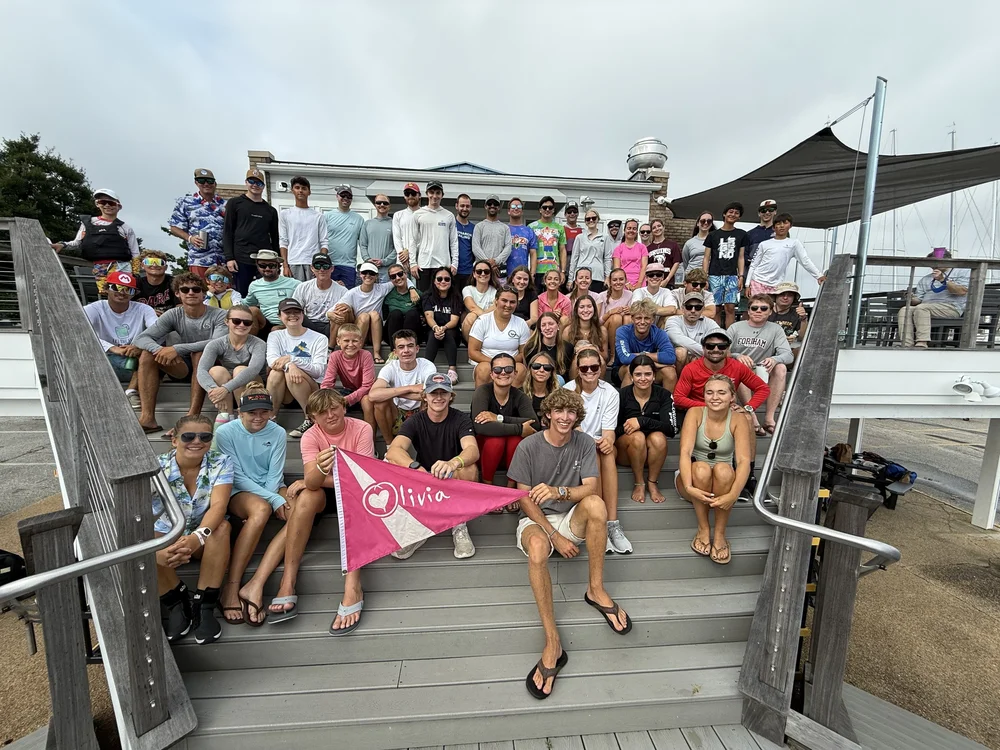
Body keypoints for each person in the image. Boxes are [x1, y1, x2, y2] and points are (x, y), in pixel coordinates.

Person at [508, 388, 631, 698]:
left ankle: (596, 589)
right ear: (548, 413)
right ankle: (553, 642)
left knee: (597, 505)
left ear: (578, 417)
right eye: (559, 411)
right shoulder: (528, 447)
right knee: (537, 549)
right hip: (537, 522)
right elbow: (524, 497)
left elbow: (591, 488)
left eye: (571, 413)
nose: (564, 417)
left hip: (570, 513)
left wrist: (558, 492)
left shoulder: (584, 443)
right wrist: (553, 535)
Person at [296, 389, 375, 633]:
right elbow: (312, 484)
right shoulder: (310, 436)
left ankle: (353, 585)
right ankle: (287, 582)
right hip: (328, 493)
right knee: (307, 498)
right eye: (322, 412)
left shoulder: (362, 428)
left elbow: (362, 477)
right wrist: (314, 478)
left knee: (353, 498)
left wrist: (315, 477)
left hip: (356, 492)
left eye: (334, 408)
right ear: (312, 417)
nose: (330, 415)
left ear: (343, 407)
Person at [153, 415, 233, 644]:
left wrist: (198, 537)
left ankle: (203, 605)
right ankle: (176, 602)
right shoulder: (156, 467)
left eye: (205, 436)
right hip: (166, 534)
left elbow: (219, 505)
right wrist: (160, 551)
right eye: (188, 436)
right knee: (144, 538)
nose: (197, 441)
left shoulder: (222, 461)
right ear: (174, 440)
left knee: (222, 527)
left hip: (202, 534)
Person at [212, 385, 288, 625]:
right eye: (252, 412)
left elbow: (275, 474)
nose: (258, 417)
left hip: (270, 486)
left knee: (299, 512)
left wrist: (274, 494)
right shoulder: (225, 433)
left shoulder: (278, 433)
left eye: (264, 412)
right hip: (237, 489)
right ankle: (232, 585)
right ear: (240, 412)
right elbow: (236, 475)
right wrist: (274, 499)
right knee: (262, 509)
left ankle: (258, 582)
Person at [385, 372, 480, 559]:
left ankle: (459, 524)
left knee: (469, 467)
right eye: (433, 393)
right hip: (423, 478)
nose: (438, 397)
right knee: (394, 463)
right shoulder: (415, 420)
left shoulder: (460, 418)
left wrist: (453, 463)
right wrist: (415, 467)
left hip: (452, 477)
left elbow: (472, 450)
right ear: (425, 396)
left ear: (450, 396)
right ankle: (417, 527)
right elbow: (393, 451)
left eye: (443, 393)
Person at [672, 330, 769, 496]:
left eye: (721, 345)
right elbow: (679, 398)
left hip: (727, 413)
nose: (716, 349)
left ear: (728, 348)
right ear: (703, 348)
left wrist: (749, 407)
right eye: (710, 345)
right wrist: (710, 405)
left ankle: (748, 476)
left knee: (746, 418)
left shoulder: (736, 366)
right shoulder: (691, 368)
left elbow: (762, 388)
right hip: (699, 413)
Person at [134, 273, 228, 435]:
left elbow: (216, 343)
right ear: (177, 293)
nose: (190, 292)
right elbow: (142, 338)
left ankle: (192, 415)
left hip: (214, 368)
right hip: (184, 367)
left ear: (203, 293)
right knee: (147, 354)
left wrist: (176, 349)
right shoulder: (173, 314)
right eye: (185, 289)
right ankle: (147, 418)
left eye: (196, 289)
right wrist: (159, 350)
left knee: (200, 353)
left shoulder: (219, 314)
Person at [676, 374, 752, 565]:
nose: (715, 397)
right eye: (709, 392)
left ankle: (719, 534)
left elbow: (744, 460)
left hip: (723, 482)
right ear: (703, 395)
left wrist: (734, 494)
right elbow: (685, 453)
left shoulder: (739, 420)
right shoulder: (694, 413)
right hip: (692, 480)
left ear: (732, 397)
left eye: (721, 392)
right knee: (701, 468)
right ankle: (703, 529)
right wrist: (689, 486)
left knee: (724, 469)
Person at [565, 349, 628, 553]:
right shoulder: (568, 390)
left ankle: (611, 523)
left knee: (607, 452)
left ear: (601, 368)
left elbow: (609, 430)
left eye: (594, 367)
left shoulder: (610, 392)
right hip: (573, 444)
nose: (590, 371)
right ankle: (600, 523)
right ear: (578, 369)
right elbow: (571, 427)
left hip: (598, 444)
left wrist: (608, 441)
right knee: (596, 453)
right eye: (584, 368)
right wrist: (594, 442)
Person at [83, 269, 157, 407]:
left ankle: (131, 391)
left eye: (128, 289)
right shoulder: (95, 308)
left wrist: (139, 346)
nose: (122, 292)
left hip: (135, 360)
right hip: (105, 360)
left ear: (134, 293)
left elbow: (157, 330)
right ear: (106, 288)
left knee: (151, 352)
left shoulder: (144, 309)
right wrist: (111, 347)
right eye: (116, 287)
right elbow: (80, 330)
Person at [472, 352, 537, 499]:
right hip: (486, 453)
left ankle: (511, 489)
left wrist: (499, 418)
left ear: (514, 373)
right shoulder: (483, 392)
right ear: (492, 374)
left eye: (508, 369)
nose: (503, 373)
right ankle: (488, 486)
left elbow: (534, 424)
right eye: (497, 370)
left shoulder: (520, 396)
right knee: (497, 440)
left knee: (516, 440)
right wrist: (520, 428)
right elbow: (480, 427)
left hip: (511, 455)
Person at [52, 188, 141, 294]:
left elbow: (135, 253)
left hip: (122, 267)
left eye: (111, 203)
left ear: (118, 206)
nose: (107, 205)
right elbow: (77, 242)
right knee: (105, 293)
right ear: (97, 204)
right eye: (103, 202)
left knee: (121, 294)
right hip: (99, 268)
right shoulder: (88, 223)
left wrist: (135, 273)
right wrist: (63, 245)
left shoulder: (125, 228)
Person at [727, 294, 793, 435]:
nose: (758, 311)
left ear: (770, 311)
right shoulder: (735, 327)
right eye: (754, 308)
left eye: (763, 308)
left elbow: (788, 355)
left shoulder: (776, 329)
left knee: (781, 368)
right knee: (742, 367)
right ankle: (752, 416)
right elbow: (723, 350)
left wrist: (775, 359)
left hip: (763, 369)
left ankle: (769, 418)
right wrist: (737, 356)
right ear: (749, 311)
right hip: (740, 370)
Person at [616, 355, 677, 504]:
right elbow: (612, 430)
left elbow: (672, 429)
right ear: (631, 376)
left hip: (652, 452)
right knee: (637, 437)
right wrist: (630, 428)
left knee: (659, 437)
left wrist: (642, 421)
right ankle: (639, 483)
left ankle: (652, 482)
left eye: (648, 374)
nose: (643, 378)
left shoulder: (663, 395)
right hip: (626, 451)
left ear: (654, 376)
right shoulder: (621, 395)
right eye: (638, 374)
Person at [265, 298, 328, 437]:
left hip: (310, 388)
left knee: (288, 373)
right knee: (276, 373)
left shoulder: (319, 338)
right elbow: (272, 362)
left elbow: (318, 371)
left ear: (303, 315)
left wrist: (292, 359)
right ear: (279, 316)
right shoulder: (275, 336)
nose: (293, 315)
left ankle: (310, 418)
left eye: (296, 312)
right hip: (285, 391)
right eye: (288, 312)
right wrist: (290, 364)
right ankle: (271, 418)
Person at [196, 304, 268, 425]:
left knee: (240, 370)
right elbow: (201, 370)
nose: (241, 325)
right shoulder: (216, 344)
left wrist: (225, 388)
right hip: (225, 394)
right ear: (226, 322)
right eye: (236, 321)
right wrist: (213, 391)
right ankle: (226, 417)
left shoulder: (258, 343)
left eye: (247, 322)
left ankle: (243, 416)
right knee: (216, 371)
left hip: (252, 390)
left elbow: (254, 369)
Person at [365, 329, 437, 443]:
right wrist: (410, 388)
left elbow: (430, 394)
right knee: (380, 403)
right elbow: (373, 395)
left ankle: (427, 443)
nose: (406, 350)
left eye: (410, 346)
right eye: (401, 347)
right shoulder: (390, 367)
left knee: (431, 401)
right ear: (395, 352)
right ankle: (389, 446)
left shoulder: (427, 365)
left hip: (422, 411)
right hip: (397, 413)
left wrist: (395, 394)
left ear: (417, 348)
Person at [222, 168, 280, 296]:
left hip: (264, 259)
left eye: (259, 183)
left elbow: (275, 237)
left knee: (265, 293)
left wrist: (277, 261)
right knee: (241, 294)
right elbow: (227, 231)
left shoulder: (270, 210)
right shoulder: (234, 203)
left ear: (263, 186)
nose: (255, 185)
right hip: (241, 257)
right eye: (251, 181)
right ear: (246, 182)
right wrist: (229, 258)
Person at [896, 250, 971, 348]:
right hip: (926, 307)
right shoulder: (926, 278)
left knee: (922, 308)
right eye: (931, 263)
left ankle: (922, 342)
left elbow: (962, 291)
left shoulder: (962, 272)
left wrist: (942, 280)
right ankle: (906, 344)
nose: (933, 266)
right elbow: (918, 300)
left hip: (951, 307)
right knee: (905, 310)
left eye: (936, 262)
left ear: (948, 260)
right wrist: (911, 298)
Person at [745, 213, 825, 297]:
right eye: (778, 224)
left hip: (777, 285)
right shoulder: (764, 244)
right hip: (758, 281)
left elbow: (805, 261)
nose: (782, 226)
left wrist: (819, 276)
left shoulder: (794, 243)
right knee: (758, 307)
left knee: (773, 309)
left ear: (790, 226)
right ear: (774, 227)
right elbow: (753, 265)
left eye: (785, 223)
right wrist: (747, 285)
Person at [168, 168, 227, 277]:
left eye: (209, 181)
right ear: (196, 182)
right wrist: (190, 238)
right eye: (201, 181)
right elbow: (174, 227)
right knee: (199, 290)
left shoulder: (224, 204)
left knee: (223, 292)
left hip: (222, 260)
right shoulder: (186, 202)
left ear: (215, 183)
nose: (206, 184)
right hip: (199, 259)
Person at [468, 286, 530, 387]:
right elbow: (472, 352)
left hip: (511, 363)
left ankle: (511, 402)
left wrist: (508, 363)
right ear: (496, 301)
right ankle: (481, 402)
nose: (508, 305)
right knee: (484, 370)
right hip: (487, 362)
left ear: (517, 304)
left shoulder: (521, 323)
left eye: (512, 302)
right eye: (504, 301)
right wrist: (496, 363)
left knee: (521, 370)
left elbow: (524, 353)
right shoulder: (482, 320)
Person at [331, 262, 393, 361]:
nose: (368, 275)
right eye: (365, 272)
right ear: (360, 274)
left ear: (376, 276)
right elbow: (332, 310)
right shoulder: (352, 293)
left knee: (374, 314)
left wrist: (411, 288)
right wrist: (329, 314)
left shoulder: (382, 288)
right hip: (360, 329)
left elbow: (403, 279)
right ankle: (357, 352)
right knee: (364, 316)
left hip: (374, 331)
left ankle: (376, 353)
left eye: (371, 273)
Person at [320, 323, 376, 430]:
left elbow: (367, 386)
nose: (350, 344)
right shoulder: (335, 356)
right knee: (329, 400)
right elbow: (328, 382)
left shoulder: (366, 355)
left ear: (360, 342)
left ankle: (370, 439)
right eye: (346, 341)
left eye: (354, 341)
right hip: (348, 391)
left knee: (366, 401)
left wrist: (348, 400)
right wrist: (326, 397)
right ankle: (335, 433)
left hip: (366, 392)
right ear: (338, 341)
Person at [614, 299, 677, 389]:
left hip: (650, 369)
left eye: (647, 318)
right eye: (638, 318)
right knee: (631, 369)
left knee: (670, 371)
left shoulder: (659, 333)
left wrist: (645, 356)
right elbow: (625, 358)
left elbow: (670, 357)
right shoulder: (623, 331)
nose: (642, 322)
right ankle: (625, 402)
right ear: (632, 319)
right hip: (621, 370)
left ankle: (668, 402)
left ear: (652, 320)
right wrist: (653, 362)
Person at [407, 180, 458, 292]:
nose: (434, 196)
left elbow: (454, 241)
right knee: (425, 297)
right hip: (424, 264)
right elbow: (412, 241)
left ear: (442, 195)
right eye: (431, 192)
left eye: (438, 193)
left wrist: (454, 263)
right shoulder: (418, 214)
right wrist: (413, 263)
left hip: (443, 264)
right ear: (427, 193)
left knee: (442, 297)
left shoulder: (449, 215)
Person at [703, 202, 747, 328]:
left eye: (736, 213)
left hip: (732, 275)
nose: (733, 214)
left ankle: (730, 336)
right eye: (730, 211)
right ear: (724, 214)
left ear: (739, 217)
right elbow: (706, 258)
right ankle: (715, 334)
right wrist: (704, 276)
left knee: (730, 307)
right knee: (715, 308)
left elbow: (741, 256)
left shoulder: (742, 234)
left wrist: (741, 276)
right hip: (714, 275)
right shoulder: (713, 235)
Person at [278, 176, 328, 281]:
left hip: (312, 263)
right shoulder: (285, 214)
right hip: (294, 262)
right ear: (292, 191)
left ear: (309, 192)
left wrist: (320, 265)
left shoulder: (318, 216)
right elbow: (283, 242)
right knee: (295, 295)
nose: (300, 191)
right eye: (297, 187)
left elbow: (324, 243)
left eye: (304, 188)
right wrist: (285, 266)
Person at [290, 253, 347, 343]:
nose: (321, 270)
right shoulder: (303, 287)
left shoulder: (342, 291)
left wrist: (331, 315)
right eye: (317, 266)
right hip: (308, 323)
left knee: (341, 312)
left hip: (330, 325)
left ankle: (330, 348)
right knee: (295, 313)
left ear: (332, 268)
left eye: (325, 266)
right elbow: (294, 309)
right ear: (312, 268)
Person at [244, 249, 301, 335]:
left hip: (288, 322)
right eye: (262, 265)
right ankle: (249, 345)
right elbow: (247, 303)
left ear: (278, 266)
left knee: (275, 329)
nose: (267, 268)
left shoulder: (294, 283)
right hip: (264, 322)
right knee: (252, 311)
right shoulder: (254, 285)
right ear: (257, 266)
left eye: (271, 265)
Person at [421, 267, 462, 384]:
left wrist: (443, 328)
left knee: (448, 333)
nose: (443, 281)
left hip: (451, 331)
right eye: (439, 279)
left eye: (446, 279)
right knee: (433, 334)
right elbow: (429, 317)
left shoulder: (456, 297)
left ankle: (452, 369)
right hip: (433, 329)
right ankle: (427, 370)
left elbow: (454, 321)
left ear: (451, 281)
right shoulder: (428, 296)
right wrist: (436, 328)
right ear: (434, 281)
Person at [665, 292, 723, 370]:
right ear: (682, 308)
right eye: (689, 307)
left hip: (701, 359)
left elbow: (721, 339)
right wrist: (708, 352)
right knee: (681, 352)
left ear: (703, 309)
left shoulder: (710, 322)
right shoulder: (673, 320)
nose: (693, 310)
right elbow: (678, 339)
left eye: (697, 307)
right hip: (679, 362)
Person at [325, 184, 365, 288]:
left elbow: (363, 243)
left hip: (349, 266)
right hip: (330, 265)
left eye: (349, 196)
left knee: (347, 297)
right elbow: (320, 240)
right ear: (337, 196)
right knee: (329, 296)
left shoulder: (359, 219)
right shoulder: (327, 217)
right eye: (343, 195)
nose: (346, 199)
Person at [569, 208, 612, 293]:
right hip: (581, 275)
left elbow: (607, 258)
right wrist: (571, 279)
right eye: (588, 219)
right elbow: (574, 259)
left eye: (593, 218)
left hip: (597, 276)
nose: (591, 220)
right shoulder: (580, 237)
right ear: (585, 221)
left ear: (598, 219)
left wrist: (607, 277)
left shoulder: (605, 237)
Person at [563, 295, 608, 374]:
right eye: (582, 307)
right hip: (574, 367)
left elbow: (605, 356)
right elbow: (564, 357)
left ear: (594, 309)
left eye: (589, 306)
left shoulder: (602, 330)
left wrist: (591, 349)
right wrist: (579, 352)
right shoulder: (568, 331)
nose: (586, 310)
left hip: (595, 366)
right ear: (576, 310)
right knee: (578, 359)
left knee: (601, 360)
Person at [529, 196, 567, 289]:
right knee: (536, 298)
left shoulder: (560, 228)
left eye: (550, 207)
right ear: (540, 210)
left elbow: (562, 250)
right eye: (544, 207)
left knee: (553, 299)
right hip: (536, 270)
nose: (547, 209)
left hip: (554, 270)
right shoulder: (531, 227)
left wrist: (562, 271)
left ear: (553, 210)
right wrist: (531, 273)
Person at [525, 312, 574, 384]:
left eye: (551, 324)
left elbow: (567, 374)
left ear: (558, 326)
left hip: (559, 385)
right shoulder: (531, 348)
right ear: (540, 329)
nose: (547, 328)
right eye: (543, 325)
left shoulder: (568, 347)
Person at [472, 194, 512, 280]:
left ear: (499, 207)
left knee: (499, 293)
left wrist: (496, 261)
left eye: (495, 204)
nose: (492, 206)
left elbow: (508, 247)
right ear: (486, 206)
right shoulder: (479, 226)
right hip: (482, 270)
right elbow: (475, 247)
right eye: (490, 204)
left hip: (499, 269)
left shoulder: (505, 228)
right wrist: (487, 263)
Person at [382, 262, 423, 346]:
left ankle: (410, 346)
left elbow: (424, 314)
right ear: (390, 280)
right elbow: (385, 317)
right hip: (393, 333)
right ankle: (394, 351)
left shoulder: (417, 294)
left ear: (405, 274)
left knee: (412, 313)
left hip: (414, 332)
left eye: (400, 274)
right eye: (393, 276)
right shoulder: (388, 296)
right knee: (395, 314)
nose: (397, 278)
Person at [358, 193, 396, 282]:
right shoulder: (367, 224)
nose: (382, 205)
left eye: (385, 203)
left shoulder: (394, 224)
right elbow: (362, 245)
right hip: (370, 270)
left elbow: (397, 248)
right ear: (375, 205)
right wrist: (368, 259)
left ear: (389, 206)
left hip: (388, 271)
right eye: (379, 203)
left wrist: (384, 261)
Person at [461, 259, 501, 341]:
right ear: (474, 274)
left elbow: (495, 308)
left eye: (486, 271)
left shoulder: (496, 292)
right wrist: (482, 318)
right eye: (479, 271)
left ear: (490, 274)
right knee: (471, 316)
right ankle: (472, 348)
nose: (483, 274)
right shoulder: (467, 289)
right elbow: (472, 307)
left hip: (489, 326)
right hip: (471, 328)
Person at [769, 282, 809, 362]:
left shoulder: (796, 314)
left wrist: (803, 319)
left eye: (790, 295)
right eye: (782, 294)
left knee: (801, 351)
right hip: (766, 350)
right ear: (775, 296)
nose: (785, 297)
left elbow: (803, 337)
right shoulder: (764, 310)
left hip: (787, 352)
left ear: (794, 298)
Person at [630, 262, 677, 327]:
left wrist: (647, 308)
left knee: (669, 318)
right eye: (651, 275)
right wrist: (662, 309)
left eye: (658, 274)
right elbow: (636, 311)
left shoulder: (666, 291)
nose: (654, 277)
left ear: (662, 277)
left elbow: (672, 310)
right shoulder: (639, 291)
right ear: (646, 277)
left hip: (659, 327)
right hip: (641, 326)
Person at [595, 268, 632, 348]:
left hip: (623, 328)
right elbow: (597, 323)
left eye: (621, 279)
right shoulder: (601, 296)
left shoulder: (630, 295)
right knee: (616, 318)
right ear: (610, 282)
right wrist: (610, 312)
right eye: (615, 280)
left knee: (628, 317)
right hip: (605, 331)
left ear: (626, 281)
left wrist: (631, 311)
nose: (618, 282)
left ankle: (626, 349)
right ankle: (613, 354)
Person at [742, 199, 777, 283]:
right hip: (752, 278)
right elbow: (744, 256)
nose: (767, 213)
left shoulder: (780, 233)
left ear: (775, 212)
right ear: (759, 213)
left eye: (771, 210)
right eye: (763, 210)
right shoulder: (749, 234)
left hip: (772, 278)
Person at [523, 351, 559, 429]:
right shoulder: (520, 394)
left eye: (547, 368)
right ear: (530, 369)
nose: (541, 370)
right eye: (536, 366)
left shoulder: (558, 396)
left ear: (551, 372)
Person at [134, 250, 177, 315]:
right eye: (149, 262)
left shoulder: (175, 283)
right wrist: (149, 313)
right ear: (142, 265)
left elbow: (181, 305)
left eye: (160, 262)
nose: (154, 265)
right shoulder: (135, 284)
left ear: (166, 267)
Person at [393, 182, 422, 275]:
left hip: (420, 260)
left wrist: (409, 252)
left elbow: (425, 239)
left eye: (413, 194)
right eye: (407, 194)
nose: (410, 196)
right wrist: (402, 255)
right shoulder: (398, 215)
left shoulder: (425, 214)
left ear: (419, 195)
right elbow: (397, 237)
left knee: (418, 289)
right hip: (402, 261)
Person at [612, 219, 648, 291]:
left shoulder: (642, 248)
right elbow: (617, 269)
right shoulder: (618, 249)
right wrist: (627, 283)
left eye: (634, 229)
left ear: (637, 231)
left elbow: (644, 267)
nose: (631, 230)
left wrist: (639, 284)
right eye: (629, 228)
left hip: (640, 283)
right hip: (623, 283)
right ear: (624, 230)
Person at [646, 219, 682, 287]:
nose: (657, 229)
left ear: (663, 227)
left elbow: (676, 263)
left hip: (668, 282)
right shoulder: (648, 248)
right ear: (652, 231)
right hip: (653, 283)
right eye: (654, 228)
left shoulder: (673, 245)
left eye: (659, 226)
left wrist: (667, 279)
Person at [506, 197, 538, 273]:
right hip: (505, 275)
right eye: (513, 207)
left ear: (522, 211)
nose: (516, 209)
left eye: (519, 207)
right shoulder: (503, 230)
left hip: (523, 275)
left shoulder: (529, 231)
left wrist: (532, 273)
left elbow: (533, 254)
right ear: (508, 211)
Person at [681, 212, 715, 280]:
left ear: (711, 224)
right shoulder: (689, 243)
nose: (706, 223)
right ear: (697, 223)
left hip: (710, 278)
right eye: (702, 221)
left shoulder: (715, 241)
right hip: (692, 277)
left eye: (709, 221)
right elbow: (685, 261)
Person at [453, 193, 475, 289]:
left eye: (467, 206)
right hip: (453, 271)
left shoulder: (474, 228)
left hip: (468, 272)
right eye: (462, 206)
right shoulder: (451, 225)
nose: (464, 209)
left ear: (470, 207)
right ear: (456, 206)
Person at [562, 201, 583, 283]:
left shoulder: (582, 231)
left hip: (578, 265)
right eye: (569, 212)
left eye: (574, 212)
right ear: (565, 214)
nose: (572, 214)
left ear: (577, 214)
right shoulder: (561, 229)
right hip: (564, 265)